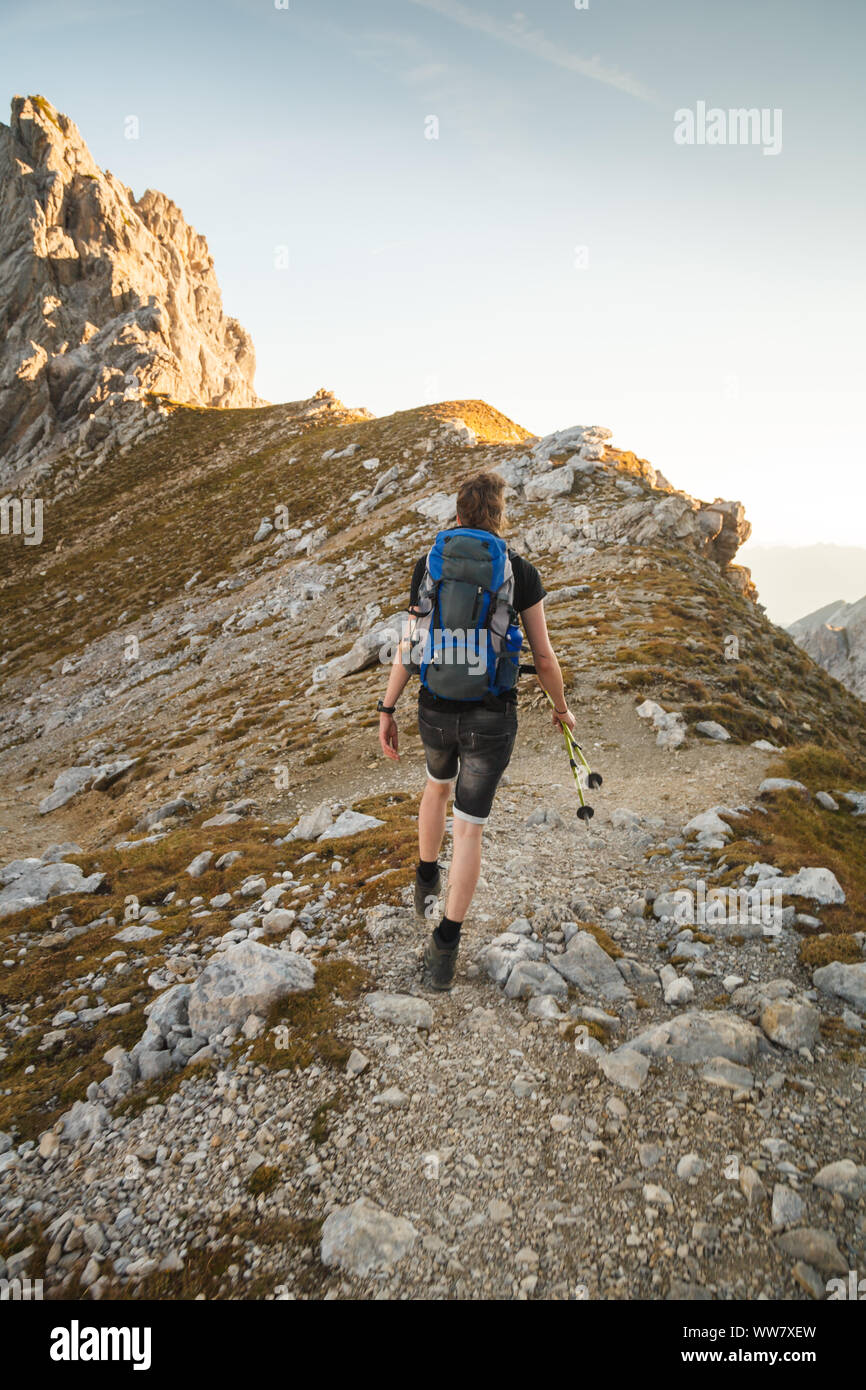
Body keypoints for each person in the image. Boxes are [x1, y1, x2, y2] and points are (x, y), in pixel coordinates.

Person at [377, 471, 576, 990]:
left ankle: (425, 878)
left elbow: (411, 643)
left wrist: (387, 706)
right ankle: (444, 950)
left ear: (459, 513)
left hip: (434, 709)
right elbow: (544, 656)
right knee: (468, 827)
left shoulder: (429, 564)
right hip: (491, 717)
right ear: (498, 515)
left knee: (434, 788)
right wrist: (561, 709)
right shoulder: (520, 572)